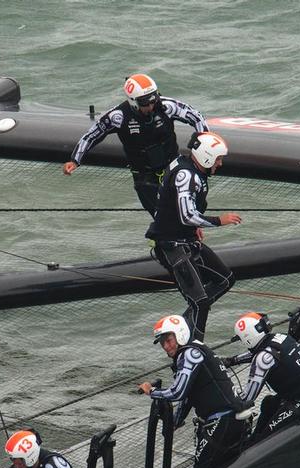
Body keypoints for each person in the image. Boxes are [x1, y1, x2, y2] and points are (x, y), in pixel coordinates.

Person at [63, 73, 210, 216]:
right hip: (144, 177)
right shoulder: (118, 116)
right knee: (163, 218)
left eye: (154, 99)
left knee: (191, 210)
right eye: (145, 103)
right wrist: (75, 160)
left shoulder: (167, 106)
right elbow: (91, 136)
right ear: (133, 101)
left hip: (173, 169)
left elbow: (197, 117)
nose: (151, 106)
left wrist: (204, 146)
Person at [145, 131, 243, 341]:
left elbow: (176, 209)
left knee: (225, 280)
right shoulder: (186, 175)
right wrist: (219, 220)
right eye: (218, 159)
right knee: (201, 303)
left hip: (187, 239)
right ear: (206, 156)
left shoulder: (189, 167)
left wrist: (192, 229)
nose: (220, 164)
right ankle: (194, 348)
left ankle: (183, 325)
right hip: (173, 247)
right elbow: (187, 215)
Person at [139, 315, 247, 468]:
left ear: (180, 333)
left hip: (223, 421)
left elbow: (178, 392)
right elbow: (189, 395)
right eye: (163, 344)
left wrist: (151, 391)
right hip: (229, 419)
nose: (166, 347)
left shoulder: (189, 354)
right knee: (213, 467)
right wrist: (176, 421)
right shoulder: (194, 349)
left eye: (169, 340)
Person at [227, 312, 300, 441]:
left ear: (247, 338)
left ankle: (254, 441)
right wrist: (231, 361)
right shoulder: (280, 337)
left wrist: (229, 401)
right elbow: (262, 354)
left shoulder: (263, 358)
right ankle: (254, 437)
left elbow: (248, 398)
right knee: (268, 404)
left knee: (262, 439)